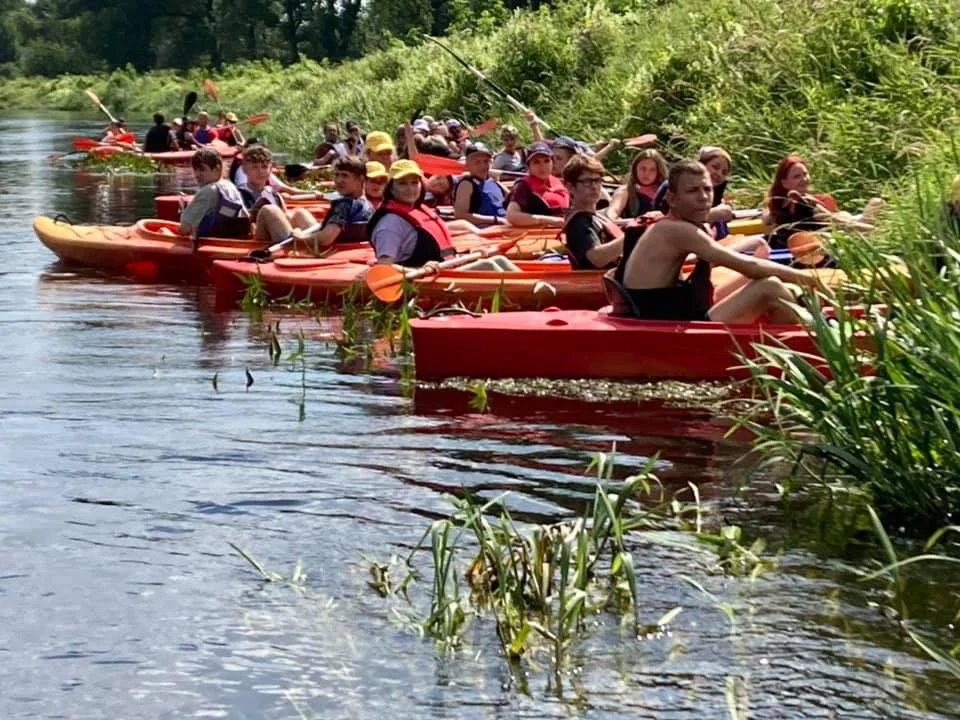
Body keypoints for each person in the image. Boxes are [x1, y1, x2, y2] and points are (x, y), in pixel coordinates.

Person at [617, 159, 820, 324]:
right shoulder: (676, 229)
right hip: (660, 319)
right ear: (672, 199)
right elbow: (750, 266)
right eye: (692, 191)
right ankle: (817, 339)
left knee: (765, 283)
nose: (704, 197)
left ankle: (794, 329)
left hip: (667, 308)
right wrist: (812, 281)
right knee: (769, 286)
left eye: (707, 189)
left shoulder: (675, 225)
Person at [763, 154, 878, 249]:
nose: (804, 179)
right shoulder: (805, 203)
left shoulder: (777, 204)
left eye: (805, 174)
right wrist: (875, 230)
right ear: (785, 183)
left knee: (846, 214)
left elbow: (767, 218)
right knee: (877, 202)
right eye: (796, 177)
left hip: (803, 244)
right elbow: (841, 224)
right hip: (810, 252)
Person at [367, 159, 457, 267]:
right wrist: (419, 270)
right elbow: (384, 267)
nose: (410, 189)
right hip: (419, 279)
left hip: (445, 271)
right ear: (391, 188)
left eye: (414, 183)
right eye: (402, 183)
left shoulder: (421, 211)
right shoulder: (390, 224)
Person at [236, 145, 314, 244]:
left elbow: (286, 217)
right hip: (258, 240)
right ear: (244, 169)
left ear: (270, 169)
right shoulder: (238, 194)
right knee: (269, 210)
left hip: (278, 233)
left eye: (264, 167)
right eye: (254, 167)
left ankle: (315, 240)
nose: (260, 171)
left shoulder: (274, 194)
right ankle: (291, 243)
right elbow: (241, 228)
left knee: (300, 212)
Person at [293, 157, 374, 250]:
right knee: (300, 213)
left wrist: (299, 237)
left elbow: (325, 239)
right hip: (350, 247)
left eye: (345, 175)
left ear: (360, 179)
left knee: (277, 213)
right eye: (337, 175)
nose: (339, 180)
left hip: (332, 251)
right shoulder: (369, 205)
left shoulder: (344, 205)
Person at [561, 155, 624, 270]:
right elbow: (596, 258)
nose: (594, 187)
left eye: (597, 180)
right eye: (587, 182)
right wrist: (632, 237)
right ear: (570, 187)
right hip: (599, 284)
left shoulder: (596, 217)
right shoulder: (578, 222)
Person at [178, 147, 250, 245]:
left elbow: (184, 229)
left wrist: (184, 211)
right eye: (196, 170)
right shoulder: (231, 186)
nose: (197, 174)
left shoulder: (207, 191)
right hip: (234, 239)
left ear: (217, 169)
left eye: (202, 169)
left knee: (163, 230)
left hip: (209, 242)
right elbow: (245, 217)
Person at [505, 142, 570, 227]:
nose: (542, 166)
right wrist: (550, 220)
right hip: (537, 235)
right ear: (529, 166)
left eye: (546, 161)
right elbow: (512, 216)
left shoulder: (560, 182)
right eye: (536, 162)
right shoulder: (523, 186)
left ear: (552, 163)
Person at [453, 143, 508, 227]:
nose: (482, 166)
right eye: (477, 162)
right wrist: (495, 220)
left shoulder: (493, 181)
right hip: (484, 231)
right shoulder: (466, 184)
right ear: (468, 165)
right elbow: (460, 215)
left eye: (486, 161)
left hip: (505, 226)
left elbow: (512, 199)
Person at [607, 149, 668, 221]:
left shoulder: (667, 191)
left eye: (652, 169)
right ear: (635, 169)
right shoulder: (625, 191)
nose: (646, 173)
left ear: (659, 171)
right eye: (643, 168)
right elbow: (611, 214)